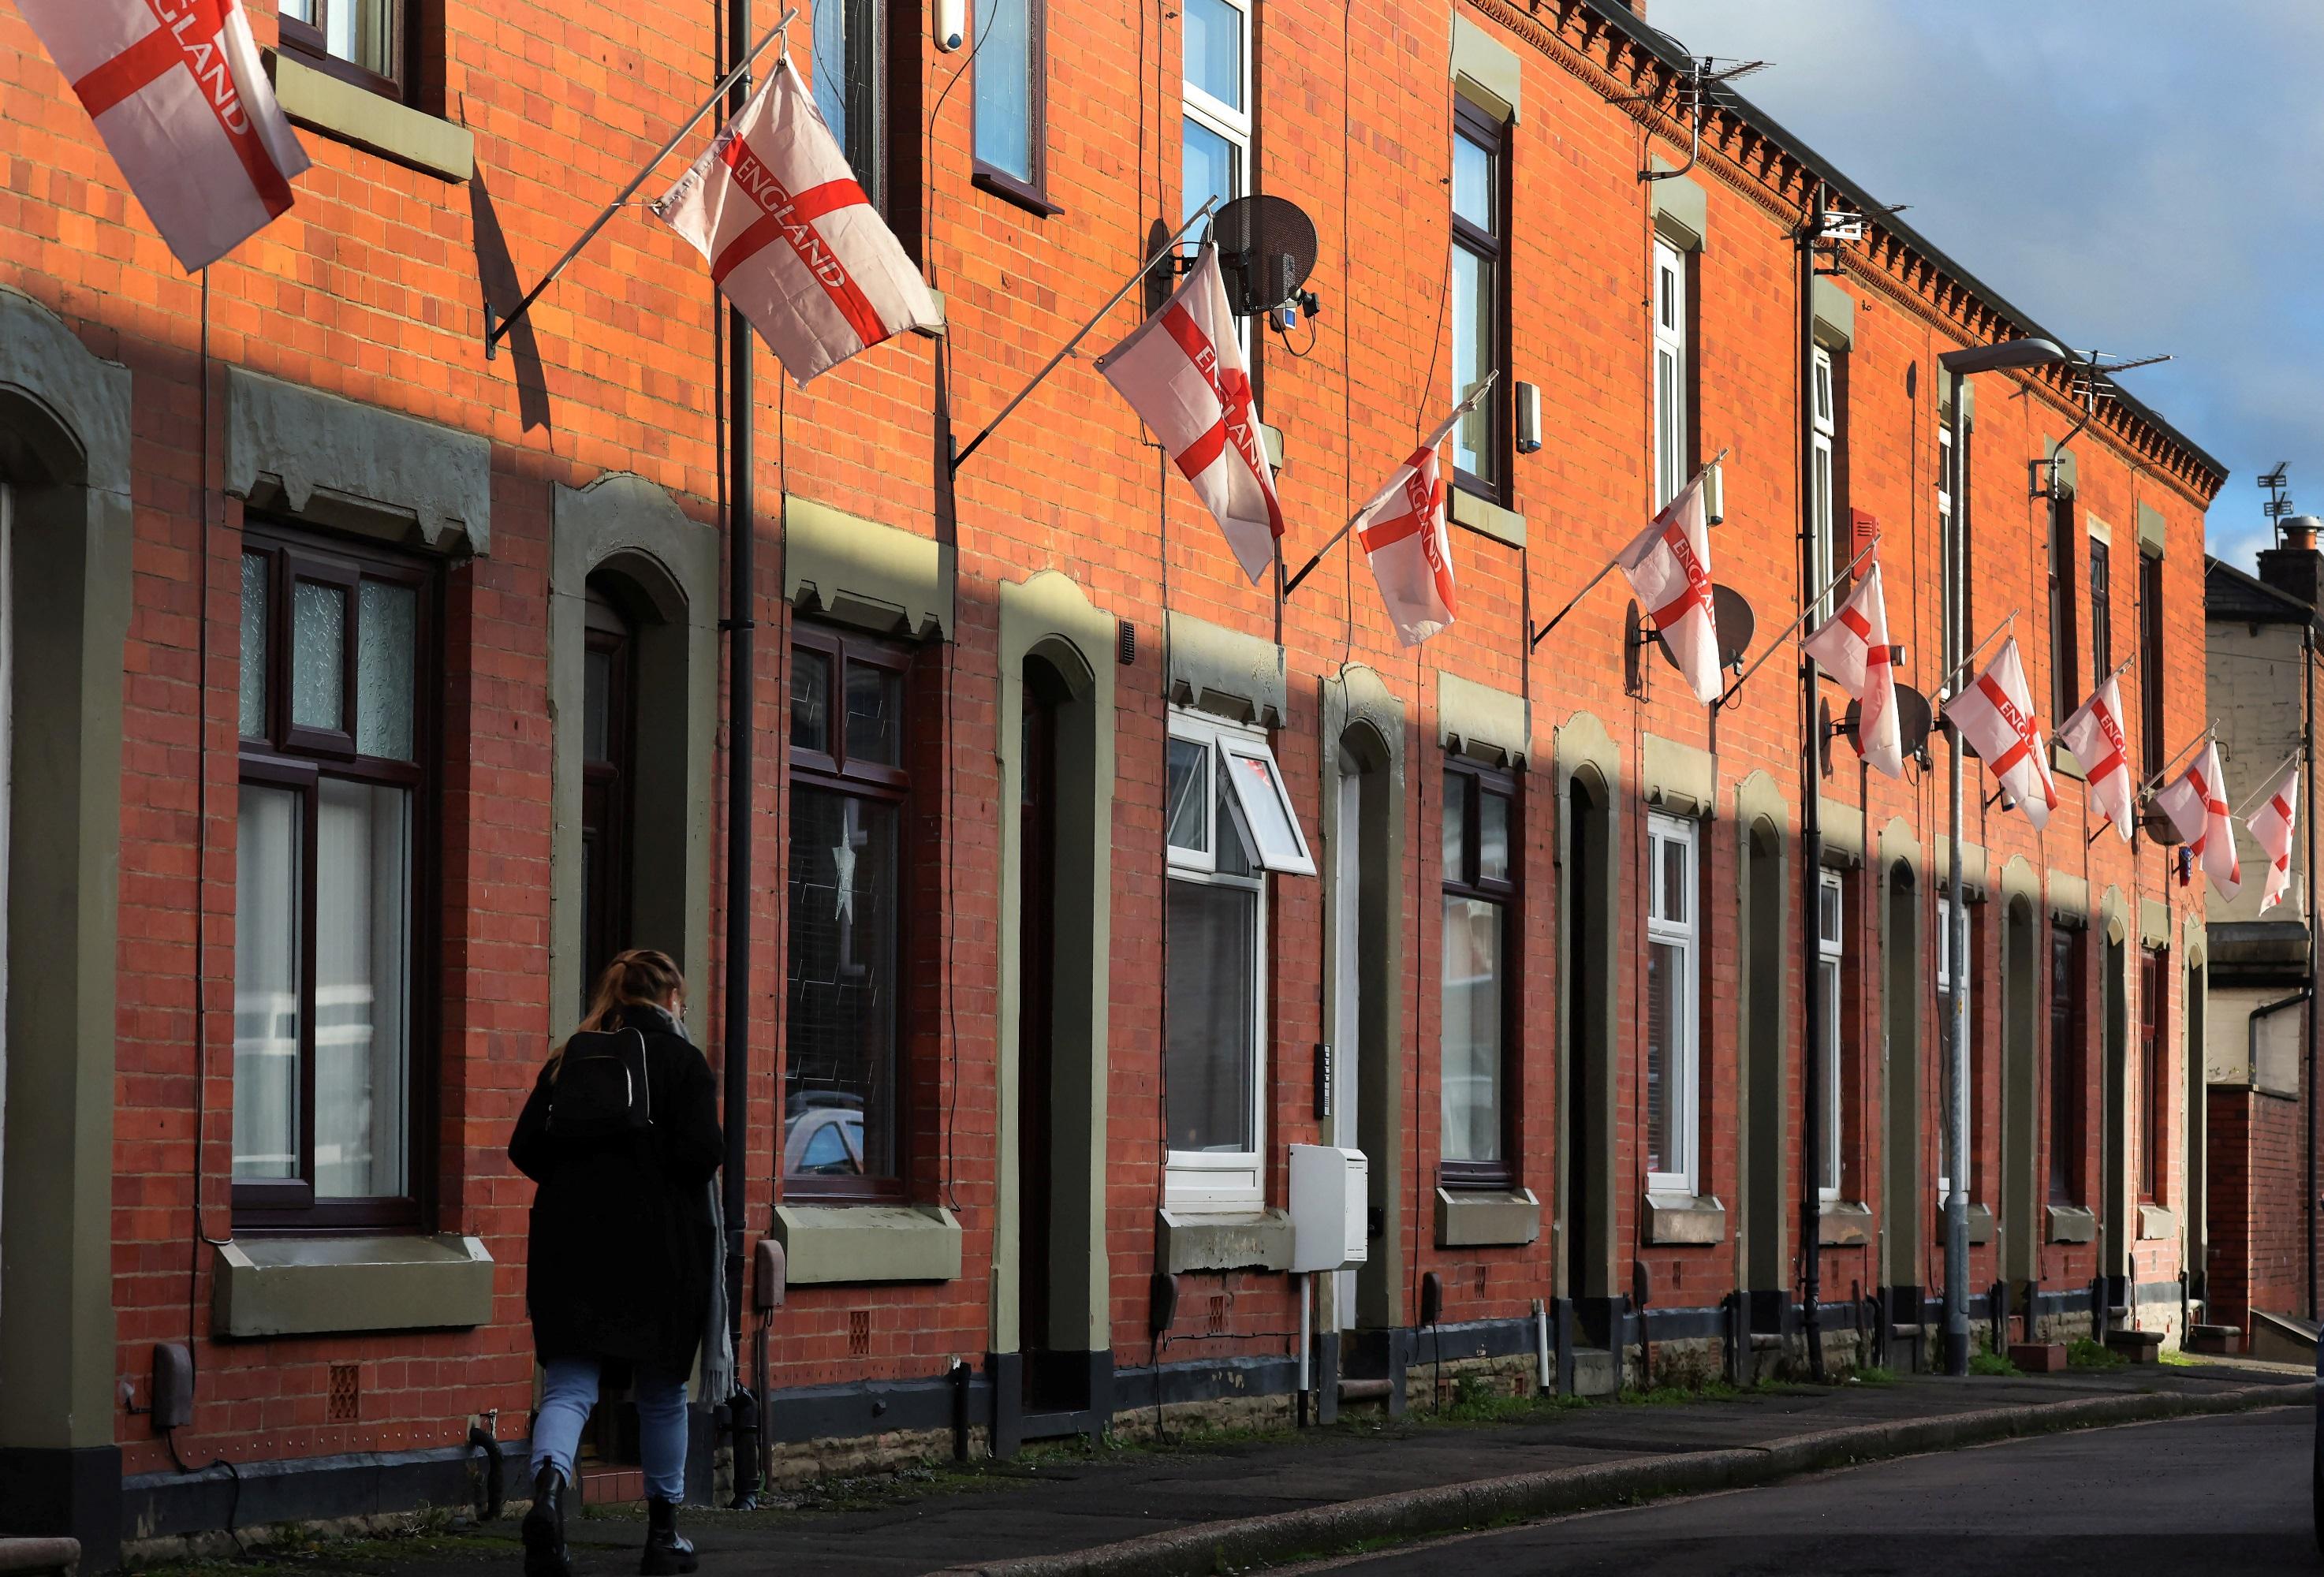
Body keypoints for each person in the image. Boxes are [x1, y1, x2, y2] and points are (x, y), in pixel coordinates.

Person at [511, 949, 723, 1577]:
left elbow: (525, 1147)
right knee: (660, 1392)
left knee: (570, 1385)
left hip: (570, 1243)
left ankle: (548, 1495)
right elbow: (700, 1156)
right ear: (672, 999)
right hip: (660, 1248)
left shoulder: (569, 1059)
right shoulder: (684, 1061)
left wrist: (579, 1185)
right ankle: (663, 1536)